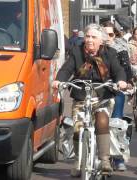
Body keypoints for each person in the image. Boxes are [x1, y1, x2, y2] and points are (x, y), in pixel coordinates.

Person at [52, 23, 127, 177]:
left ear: (101, 40)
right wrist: (59, 80)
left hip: (102, 94)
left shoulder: (110, 53)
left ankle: (104, 160)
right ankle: (78, 161)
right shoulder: (76, 52)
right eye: (87, 36)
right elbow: (67, 69)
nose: (90, 40)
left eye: (94, 37)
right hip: (81, 94)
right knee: (77, 128)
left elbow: (118, 70)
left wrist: (121, 81)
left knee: (102, 121)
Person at [102, 21, 132, 171]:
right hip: (100, 90)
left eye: (111, 34)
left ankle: (118, 157)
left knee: (115, 123)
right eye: (104, 34)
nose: (107, 37)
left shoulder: (121, 49)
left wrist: (125, 82)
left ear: (115, 34)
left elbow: (126, 70)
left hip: (116, 89)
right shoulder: (95, 49)